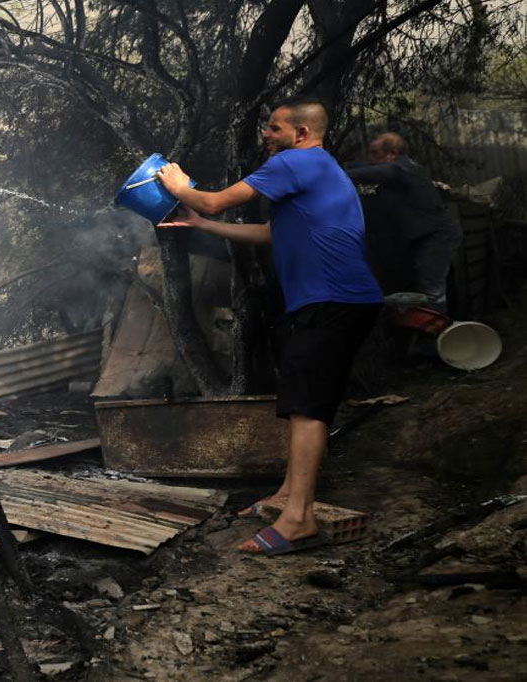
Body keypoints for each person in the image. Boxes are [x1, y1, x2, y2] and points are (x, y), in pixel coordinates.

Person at [154, 98, 385, 556]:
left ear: (300, 133)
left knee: (307, 406)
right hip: (340, 301)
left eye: (275, 128)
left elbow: (216, 200)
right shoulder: (319, 169)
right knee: (306, 400)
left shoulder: (296, 162)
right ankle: (287, 496)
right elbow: (271, 234)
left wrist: (180, 186)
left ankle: (299, 519)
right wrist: (201, 223)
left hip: (332, 300)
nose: (266, 134)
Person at [346, 132, 463, 311]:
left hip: (436, 236)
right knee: (416, 287)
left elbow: (379, 172)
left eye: (374, 153)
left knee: (431, 289)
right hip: (421, 236)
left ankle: (434, 333)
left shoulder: (405, 168)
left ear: (391, 154)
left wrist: (335, 173)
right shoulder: (397, 173)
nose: (370, 159)